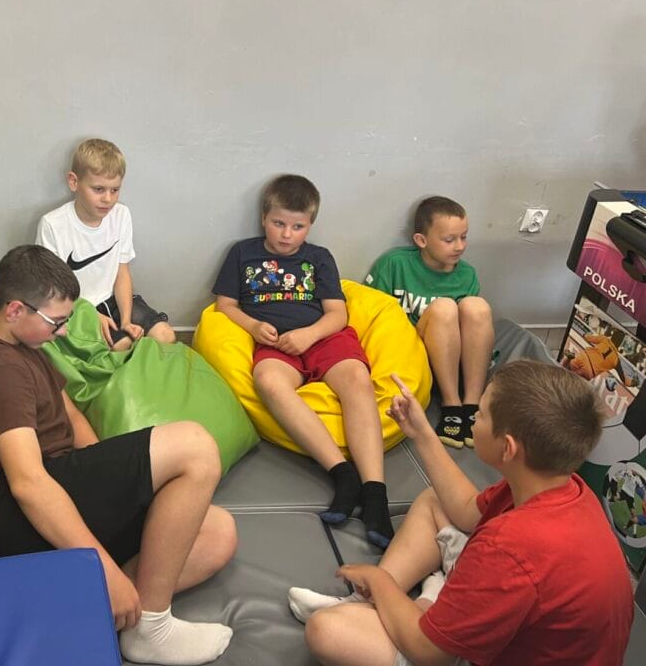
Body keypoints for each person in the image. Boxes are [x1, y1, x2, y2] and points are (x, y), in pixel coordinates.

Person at [0, 245, 237, 666]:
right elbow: (28, 484)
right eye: (57, 321)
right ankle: (150, 626)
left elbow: (69, 415)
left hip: (63, 482)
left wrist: (111, 479)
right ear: (14, 310)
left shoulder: (25, 347)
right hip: (17, 512)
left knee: (217, 532)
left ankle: (86, 605)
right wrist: (102, 568)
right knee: (195, 446)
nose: (63, 332)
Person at [291, 361, 633, 666]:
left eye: (480, 414)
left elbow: (429, 652)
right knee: (436, 500)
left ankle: (398, 602)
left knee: (326, 630)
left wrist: (379, 581)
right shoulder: (560, 485)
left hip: (461, 646)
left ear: (507, 448)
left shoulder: (509, 547)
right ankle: (375, 602)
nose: (474, 419)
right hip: (520, 613)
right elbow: (468, 511)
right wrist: (422, 433)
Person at [212, 174, 393, 548]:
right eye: (278, 223)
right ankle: (342, 474)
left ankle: (375, 493)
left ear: (310, 225)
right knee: (268, 381)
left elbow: (338, 314)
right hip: (276, 343)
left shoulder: (318, 257)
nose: (286, 234)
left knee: (357, 379)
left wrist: (309, 335)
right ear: (264, 218)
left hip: (322, 336)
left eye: (297, 227)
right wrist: (254, 325)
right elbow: (225, 306)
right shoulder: (242, 253)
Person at [366, 196, 494, 449]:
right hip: (413, 354)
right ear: (421, 240)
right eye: (449, 239)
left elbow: (470, 328)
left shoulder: (467, 274)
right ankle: (451, 405)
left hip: (452, 359)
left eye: (464, 237)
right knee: (444, 308)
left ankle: (471, 405)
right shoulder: (394, 263)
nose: (459, 246)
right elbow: (373, 313)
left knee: (476, 306)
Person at [36, 138, 176, 351]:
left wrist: (126, 320)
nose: (108, 199)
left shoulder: (121, 215)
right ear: (74, 182)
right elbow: (53, 290)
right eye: (99, 189)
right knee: (121, 346)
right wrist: (89, 314)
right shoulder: (52, 224)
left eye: (115, 190)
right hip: (78, 307)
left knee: (166, 336)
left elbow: (122, 272)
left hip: (114, 300)